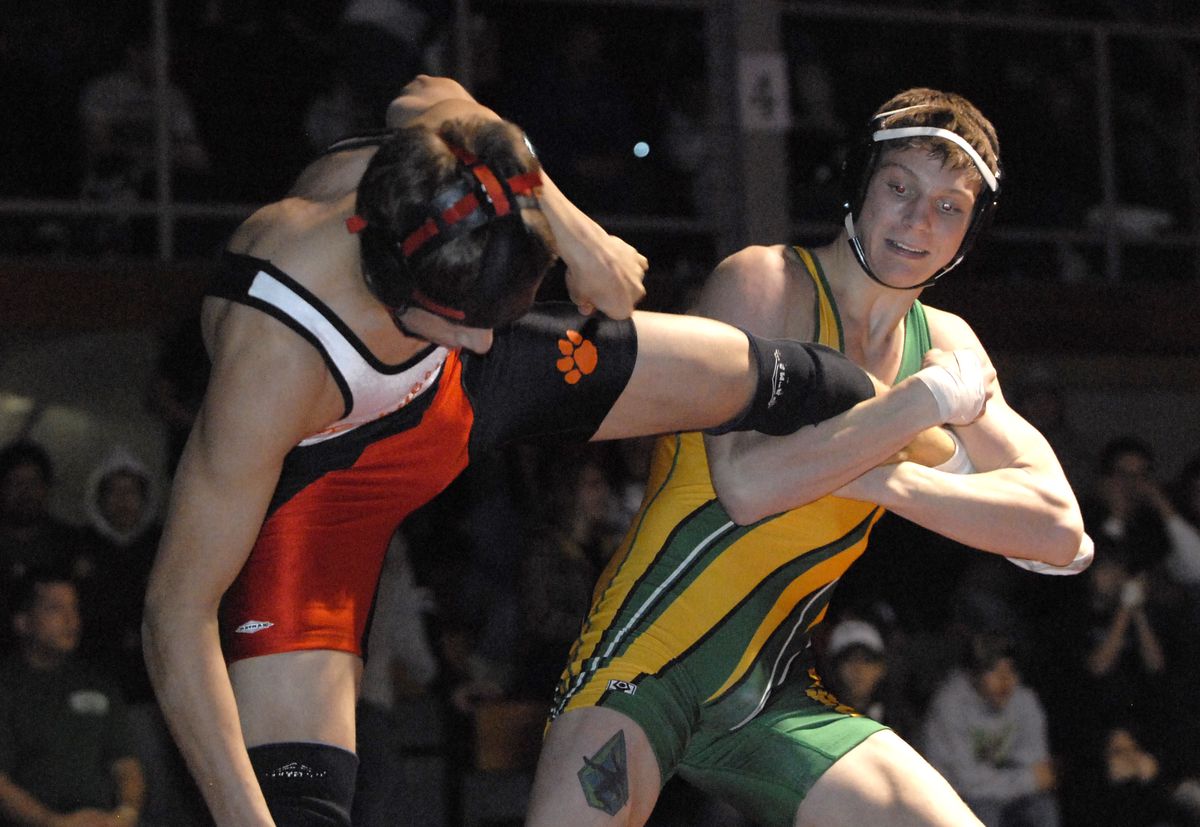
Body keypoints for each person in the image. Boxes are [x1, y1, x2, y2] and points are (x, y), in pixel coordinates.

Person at [142, 75, 981, 827]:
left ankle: (942, 412)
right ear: (395, 281)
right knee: (295, 809)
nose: (474, 335)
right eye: (463, 321)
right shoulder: (273, 361)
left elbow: (432, 92)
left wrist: (575, 234)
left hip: (487, 380)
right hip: (333, 486)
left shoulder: (468, 179)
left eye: (499, 309)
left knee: (782, 377)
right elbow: (176, 616)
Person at [528, 87, 1094, 827]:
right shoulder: (768, 282)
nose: (919, 222)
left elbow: (1061, 534)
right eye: (900, 188)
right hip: (642, 664)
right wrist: (913, 412)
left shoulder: (948, 347)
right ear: (859, 184)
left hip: (772, 692)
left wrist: (889, 471)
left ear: (971, 232)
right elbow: (747, 485)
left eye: (949, 207)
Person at [0, 569, 146, 825]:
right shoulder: (7, 686)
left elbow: (126, 764)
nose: (70, 619)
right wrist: (52, 823)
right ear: (22, 622)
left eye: (74, 608)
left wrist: (125, 815)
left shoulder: (98, 682)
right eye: (54, 609)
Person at [919, 633, 1061, 827]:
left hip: (1004, 794)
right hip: (951, 800)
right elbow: (965, 781)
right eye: (993, 669)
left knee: (1042, 808)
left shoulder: (1025, 702)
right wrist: (1025, 780)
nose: (1005, 679)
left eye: (1011, 669)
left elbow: (1039, 770)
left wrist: (1022, 780)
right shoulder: (950, 704)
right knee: (984, 810)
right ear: (973, 673)